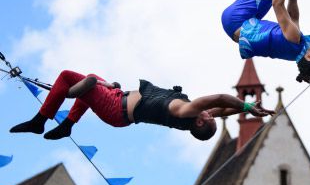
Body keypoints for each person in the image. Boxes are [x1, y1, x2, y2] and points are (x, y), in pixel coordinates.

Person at [10, 70, 274, 141]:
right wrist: (248, 108)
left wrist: (248, 108)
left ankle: (39, 120)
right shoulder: (192, 118)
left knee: (70, 77)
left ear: (200, 120)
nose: (211, 114)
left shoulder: (184, 110)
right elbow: (223, 109)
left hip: (116, 109)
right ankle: (68, 123)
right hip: (118, 102)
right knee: (91, 82)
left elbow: (219, 99)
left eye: (209, 117)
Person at [204, 0, 310, 83]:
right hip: (240, 26)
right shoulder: (295, 50)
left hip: (235, 19)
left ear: (309, 56)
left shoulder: (294, 39)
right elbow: (293, 18)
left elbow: (277, 4)